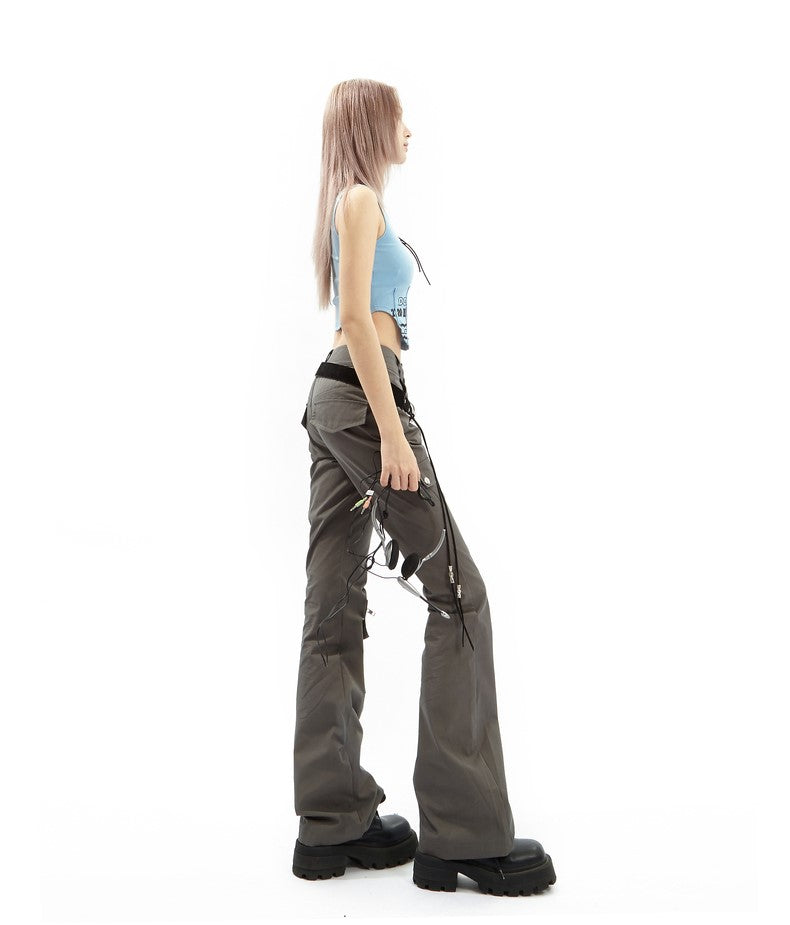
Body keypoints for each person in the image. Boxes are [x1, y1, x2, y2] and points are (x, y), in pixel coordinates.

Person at [292, 78, 557, 898]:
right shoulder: (361, 199)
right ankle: (465, 834)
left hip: (334, 399)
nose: (411, 129)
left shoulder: (349, 201)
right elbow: (358, 323)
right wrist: (395, 432)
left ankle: (330, 818)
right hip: (364, 399)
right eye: (399, 116)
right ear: (373, 124)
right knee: (460, 594)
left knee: (334, 604)